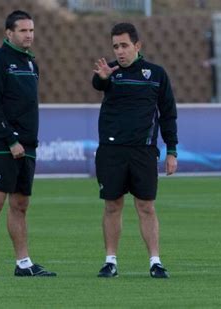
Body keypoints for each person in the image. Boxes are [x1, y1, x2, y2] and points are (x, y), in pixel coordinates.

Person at [0, 10, 56, 278]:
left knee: (20, 205)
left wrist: (27, 142)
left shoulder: (31, 63)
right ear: (9, 33)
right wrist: (10, 139)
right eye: (23, 30)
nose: (29, 35)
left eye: (31, 30)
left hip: (27, 146)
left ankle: (23, 264)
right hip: (2, 144)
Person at [92, 22, 178, 279]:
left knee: (146, 207)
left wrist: (171, 150)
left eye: (124, 46)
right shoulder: (110, 72)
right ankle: (110, 261)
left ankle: (155, 261)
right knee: (112, 206)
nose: (119, 51)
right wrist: (102, 77)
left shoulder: (156, 74)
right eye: (115, 46)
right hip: (111, 150)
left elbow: (168, 114)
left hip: (143, 151)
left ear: (137, 46)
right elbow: (98, 83)